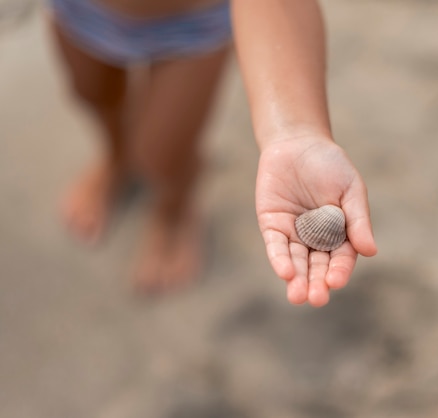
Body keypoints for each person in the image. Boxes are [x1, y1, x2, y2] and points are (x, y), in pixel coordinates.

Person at [49, 0, 377, 307]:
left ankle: (173, 211)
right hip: (79, 10)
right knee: (93, 96)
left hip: (192, 24)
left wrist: (295, 130)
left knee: (162, 154)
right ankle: (116, 157)